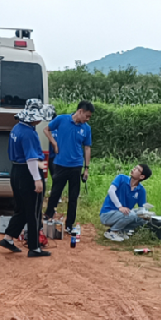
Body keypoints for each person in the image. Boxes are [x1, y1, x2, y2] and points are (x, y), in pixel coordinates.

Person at [0, 99, 54, 258]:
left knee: (22, 209)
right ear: (33, 117)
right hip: (27, 173)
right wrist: (37, 179)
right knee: (33, 211)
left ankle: (8, 237)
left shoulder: (17, 128)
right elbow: (31, 159)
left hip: (16, 171)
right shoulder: (29, 133)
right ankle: (34, 247)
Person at [44, 100, 94, 234]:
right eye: (87, 116)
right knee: (55, 193)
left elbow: (87, 148)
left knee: (73, 197)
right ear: (80, 111)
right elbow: (46, 129)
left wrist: (86, 168)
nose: (87, 119)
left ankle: (69, 225)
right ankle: (47, 216)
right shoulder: (61, 119)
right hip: (60, 164)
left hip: (76, 165)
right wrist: (54, 143)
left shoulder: (86, 128)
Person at [99, 164, 152, 242]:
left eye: (137, 169)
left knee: (143, 217)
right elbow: (111, 191)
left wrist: (147, 214)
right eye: (135, 167)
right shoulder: (121, 178)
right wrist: (120, 206)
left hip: (123, 214)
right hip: (107, 214)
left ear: (141, 177)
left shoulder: (141, 190)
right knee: (131, 214)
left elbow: (142, 208)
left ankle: (122, 231)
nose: (134, 169)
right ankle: (112, 232)